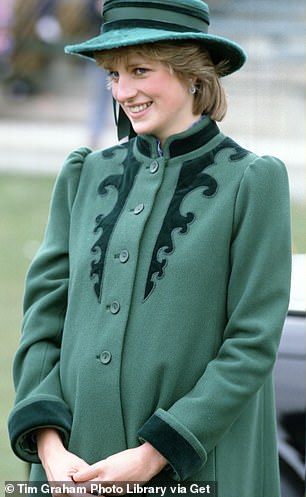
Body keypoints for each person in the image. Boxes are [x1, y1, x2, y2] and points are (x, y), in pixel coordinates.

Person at [8, 1, 292, 496]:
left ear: (194, 75)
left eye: (140, 70)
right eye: (113, 75)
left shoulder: (251, 181)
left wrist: (154, 454)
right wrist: (50, 447)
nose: (124, 91)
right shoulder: (85, 174)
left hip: (195, 469)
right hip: (70, 469)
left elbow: (252, 342)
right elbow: (43, 317)